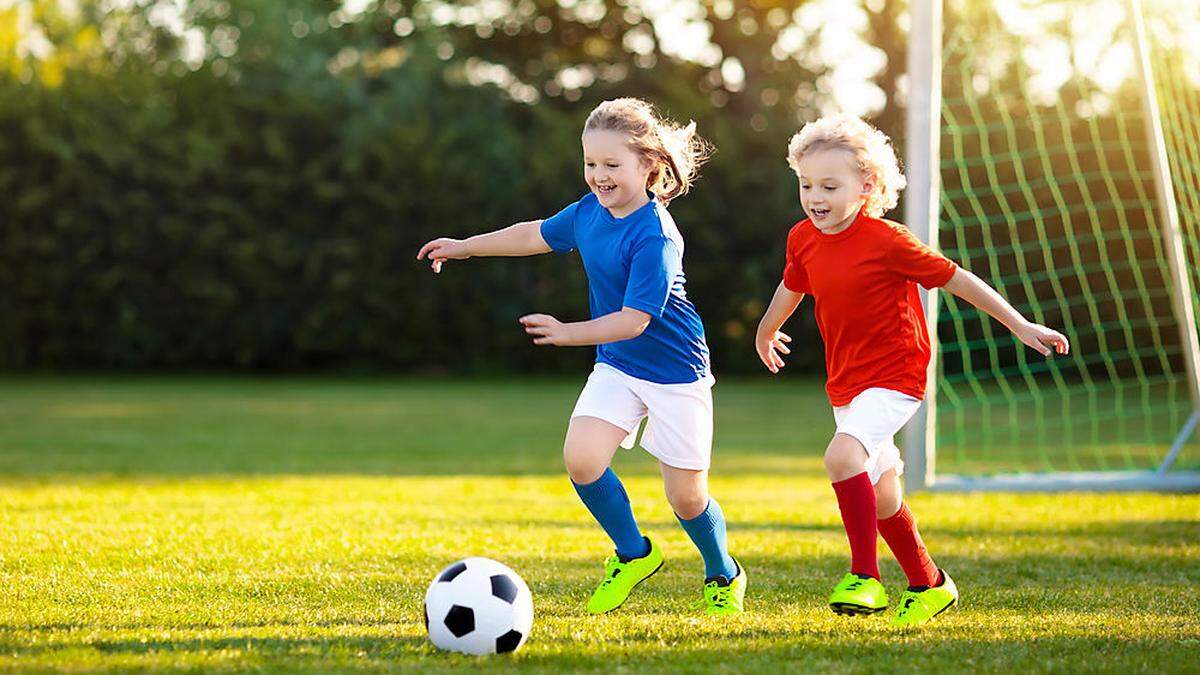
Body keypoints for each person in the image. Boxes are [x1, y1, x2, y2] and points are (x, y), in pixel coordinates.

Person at [417, 98, 746, 616]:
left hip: (675, 374)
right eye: (591, 163)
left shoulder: (656, 235)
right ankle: (634, 553)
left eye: (612, 165)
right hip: (619, 365)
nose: (599, 175)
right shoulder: (589, 213)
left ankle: (722, 572)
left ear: (649, 166)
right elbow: (534, 233)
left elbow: (636, 320)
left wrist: (568, 333)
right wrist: (465, 247)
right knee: (583, 459)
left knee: (685, 498)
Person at [754, 114, 1069, 628]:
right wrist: (766, 330)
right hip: (847, 382)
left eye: (830, 186)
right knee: (881, 494)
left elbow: (957, 279)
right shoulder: (803, 238)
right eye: (806, 184)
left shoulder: (888, 240)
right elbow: (793, 284)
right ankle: (930, 584)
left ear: (867, 186)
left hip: (897, 375)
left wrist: (1019, 324)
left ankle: (865, 578)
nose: (816, 196)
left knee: (842, 456)